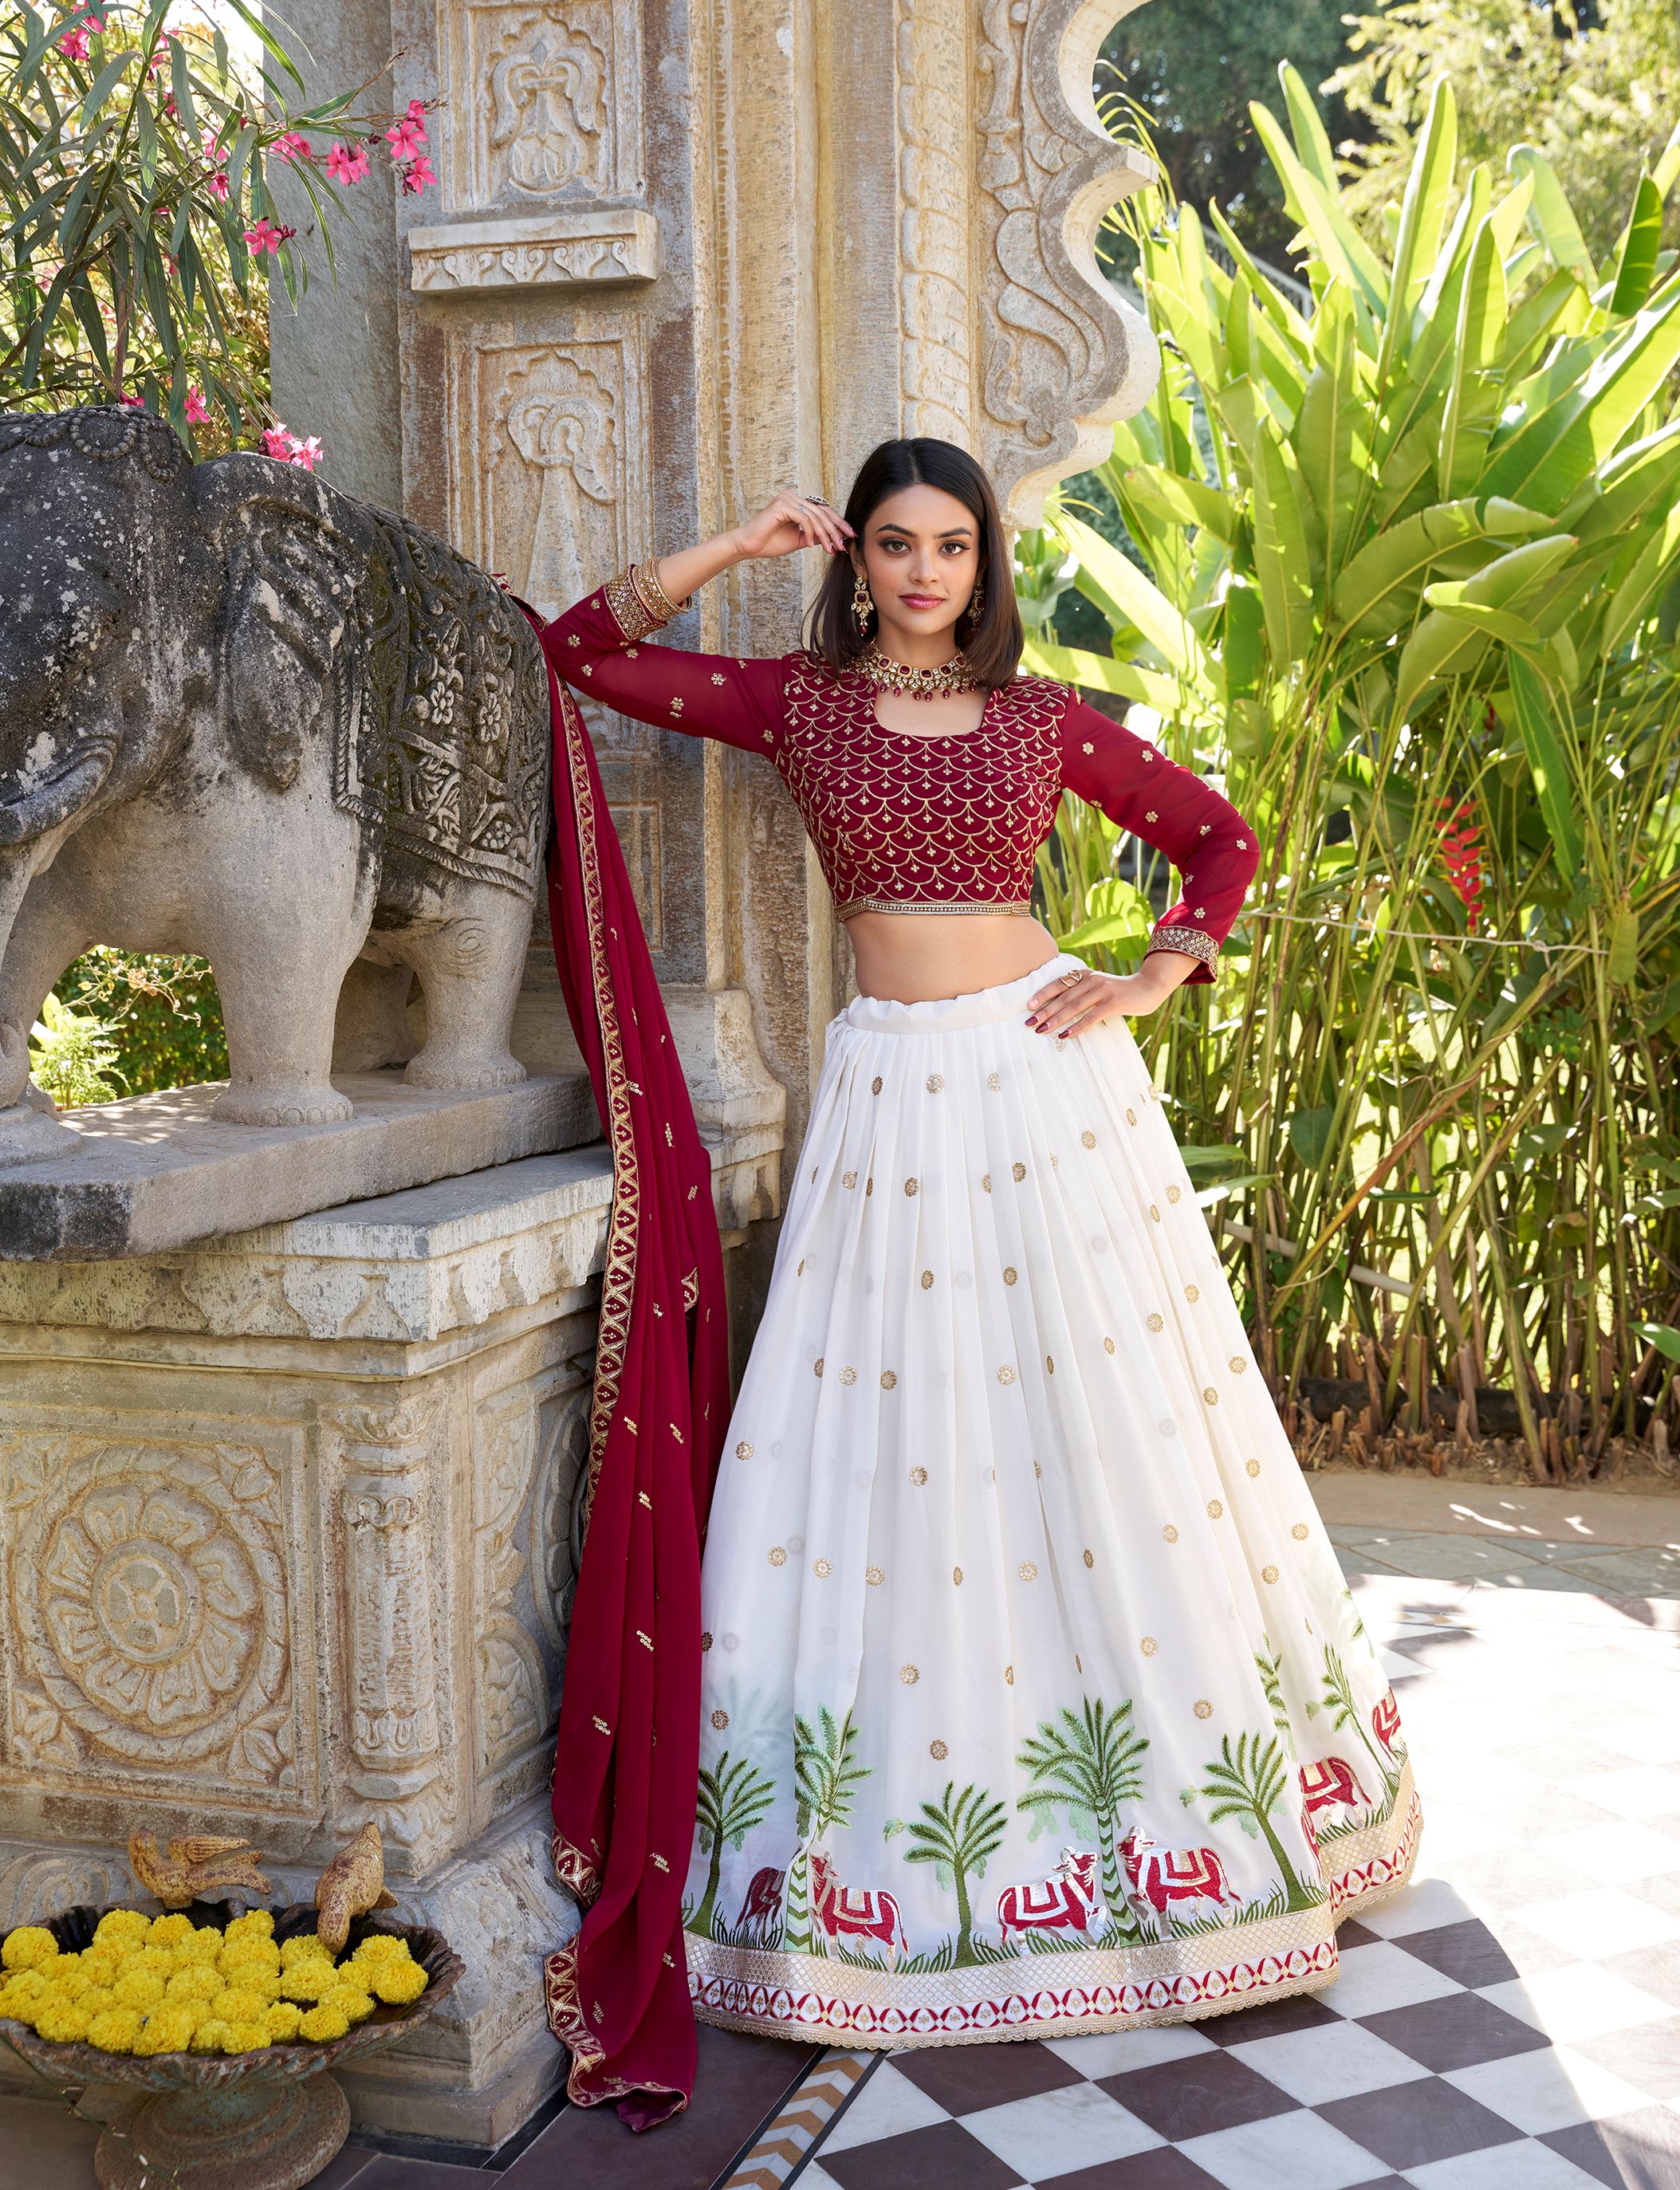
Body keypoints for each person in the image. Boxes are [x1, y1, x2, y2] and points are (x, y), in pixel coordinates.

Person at [539, 436, 1418, 2054]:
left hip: (1045, 1075)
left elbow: (1215, 841)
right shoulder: (793, 704)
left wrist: (1154, 973)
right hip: (890, 1090)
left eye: (952, 544)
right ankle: (905, 1865)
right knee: (905, 1449)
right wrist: (730, 543)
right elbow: (575, 652)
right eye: (894, 542)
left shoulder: (1038, 718)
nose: (926, 571)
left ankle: (1185, 1844)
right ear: (856, 556)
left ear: (984, 561)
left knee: (1104, 1438)